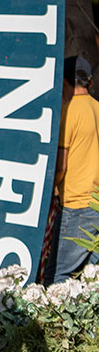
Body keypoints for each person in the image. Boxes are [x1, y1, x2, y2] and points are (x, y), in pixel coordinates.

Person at [51, 55, 99, 282]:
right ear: (89, 82)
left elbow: (61, 166)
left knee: (60, 276)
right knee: (91, 282)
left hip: (76, 205)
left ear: (64, 81)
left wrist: (49, 191)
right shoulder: (97, 108)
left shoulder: (68, 112)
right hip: (96, 203)